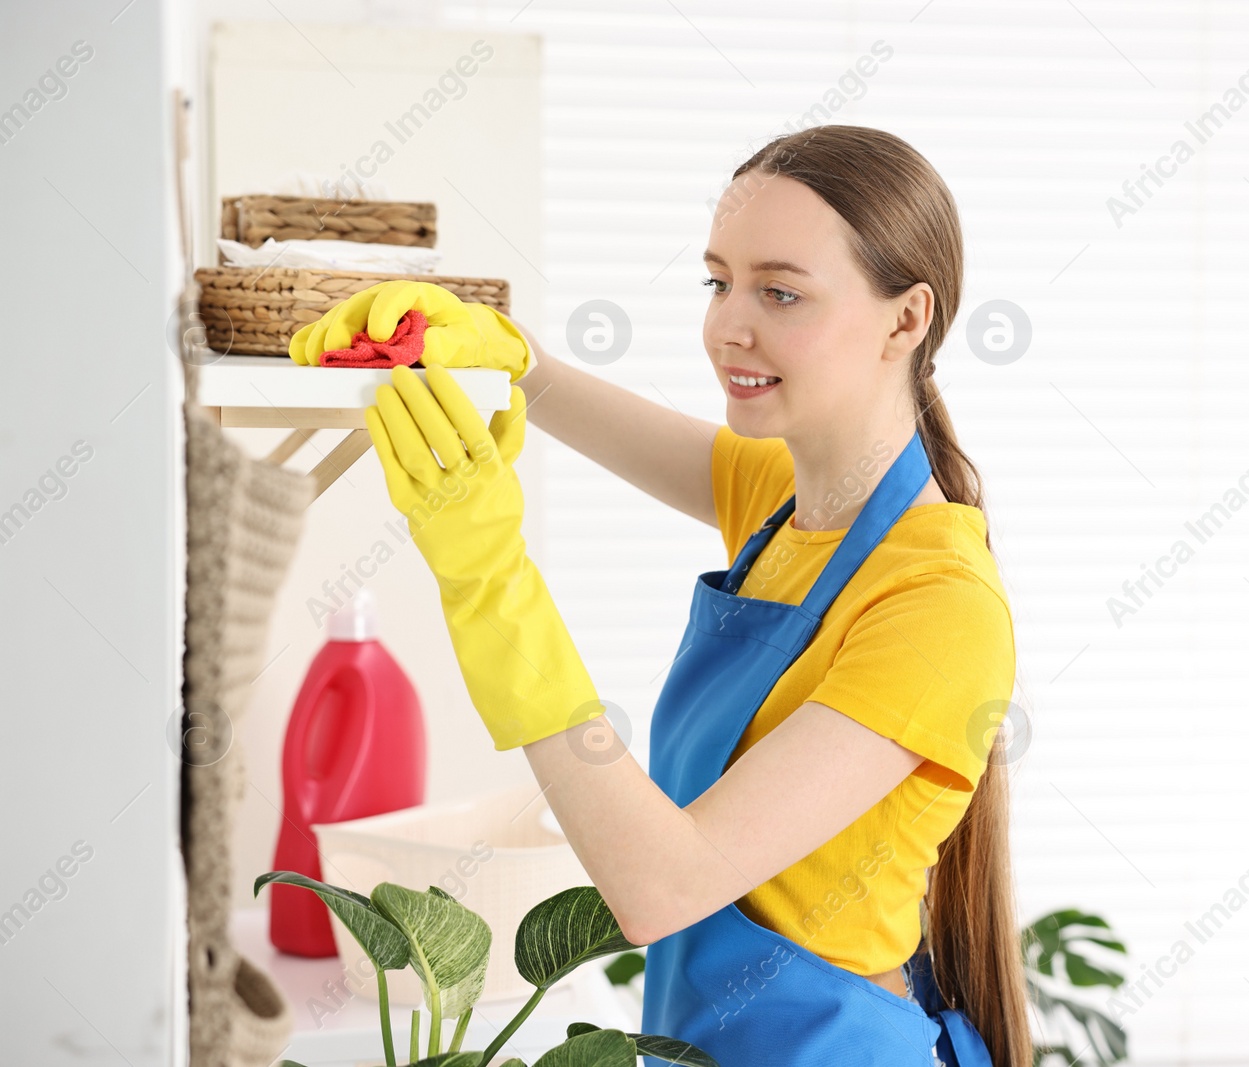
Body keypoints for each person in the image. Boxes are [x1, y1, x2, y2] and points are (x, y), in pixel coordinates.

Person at [295, 124, 1031, 1066]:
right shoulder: (793, 502)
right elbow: (604, 417)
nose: (729, 325)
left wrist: (487, 578)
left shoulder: (938, 606)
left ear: (906, 318)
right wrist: (507, 354)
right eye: (718, 281)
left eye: (781, 291)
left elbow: (661, 885)